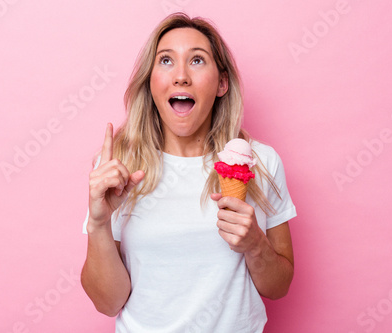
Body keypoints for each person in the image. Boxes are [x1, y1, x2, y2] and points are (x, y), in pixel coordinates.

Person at [81, 12, 297, 333]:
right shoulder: (118, 168)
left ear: (222, 83)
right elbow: (108, 302)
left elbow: (278, 287)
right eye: (166, 61)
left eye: (197, 61)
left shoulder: (261, 162)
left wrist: (254, 245)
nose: (181, 76)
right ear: (151, 80)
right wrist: (98, 223)